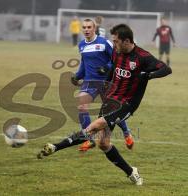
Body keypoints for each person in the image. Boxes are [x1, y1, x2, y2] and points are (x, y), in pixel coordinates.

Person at [37, 23, 172, 185]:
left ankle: (55, 147)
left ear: (126, 41)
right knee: (103, 143)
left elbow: (166, 69)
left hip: (127, 103)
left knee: (94, 127)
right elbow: (112, 70)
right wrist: (104, 84)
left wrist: (149, 75)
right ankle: (131, 171)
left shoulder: (142, 56)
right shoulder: (117, 53)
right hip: (111, 100)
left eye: (116, 41)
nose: (113, 44)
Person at [70, 19, 133, 152]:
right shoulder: (81, 45)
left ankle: (127, 133)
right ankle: (89, 139)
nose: (86, 29)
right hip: (89, 82)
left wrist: (106, 67)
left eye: (89, 27)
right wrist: (77, 76)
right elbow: (84, 63)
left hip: (106, 82)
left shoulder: (104, 43)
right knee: (81, 106)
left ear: (94, 28)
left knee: (111, 112)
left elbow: (116, 58)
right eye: (84, 27)